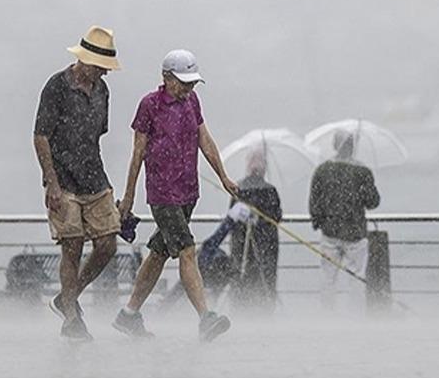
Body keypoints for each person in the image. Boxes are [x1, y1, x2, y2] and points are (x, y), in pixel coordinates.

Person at [114, 49, 238, 341]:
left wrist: (223, 176)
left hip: (187, 191)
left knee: (158, 252)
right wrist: (129, 197)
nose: (187, 89)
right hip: (163, 193)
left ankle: (128, 314)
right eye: (183, 83)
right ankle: (206, 318)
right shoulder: (150, 105)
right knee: (186, 249)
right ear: (166, 77)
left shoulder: (192, 101)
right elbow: (137, 154)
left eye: (192, 83)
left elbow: (204, 139)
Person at [33, 26, 122, 340]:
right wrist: (52, 183)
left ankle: (68, 296)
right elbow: (41, 136)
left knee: (108, 243)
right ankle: (71, 317)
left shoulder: (101, 91)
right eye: (101, 67)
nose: (104, 74)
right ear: (85, 60)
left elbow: (96, 136)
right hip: (63, 181)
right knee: (72, 247)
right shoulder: (57, 86)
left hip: (95, 178)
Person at [309, 130, 380, 311]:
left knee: (327, 279)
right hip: (355, 234)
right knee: (357, 278)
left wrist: (320, 222)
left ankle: (327, 315)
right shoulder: (362, 172)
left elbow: (314, 201)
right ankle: (355, 317)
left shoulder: (322, 170)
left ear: (334, 145)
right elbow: (373, 202)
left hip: (329, 235)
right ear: (353, 147)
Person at [229, 151, 282, 312]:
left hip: (241, 244)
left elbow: (232, 217)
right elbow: (276, 216)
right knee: (266, 277)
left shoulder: (238, 188)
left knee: (242, 275)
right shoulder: (270, 190)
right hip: (267, 245)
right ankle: (265, 309)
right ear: (264, 168)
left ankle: (241, 308)